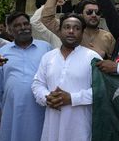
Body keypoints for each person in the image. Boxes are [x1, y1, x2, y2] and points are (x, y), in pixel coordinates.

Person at [32, 13, 101, 141]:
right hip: (52, 125)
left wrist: (72, 98)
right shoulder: (48, 57)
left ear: (82, 32)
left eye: (76, 28)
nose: (71, 31)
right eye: (67, 27)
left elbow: (101, 90)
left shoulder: (93, 57)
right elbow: (37, 84)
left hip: (80, 127)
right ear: (60, 30)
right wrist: (47, 97)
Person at [0, 12, 52, 141]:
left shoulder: (46, 48)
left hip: (41, 109)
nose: (23, 27)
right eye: (17, 25)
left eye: (26, 23)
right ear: (10, 30)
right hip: (13, 109)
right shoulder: (3, 52)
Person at [42, 0, 115, 59]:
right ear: (80, 15)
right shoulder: (71, 31)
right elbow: (47, 18)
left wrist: (103, 56)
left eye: (97, 12)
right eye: (89, 12)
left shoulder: (108, 37)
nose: (94, 15)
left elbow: (115, 62)